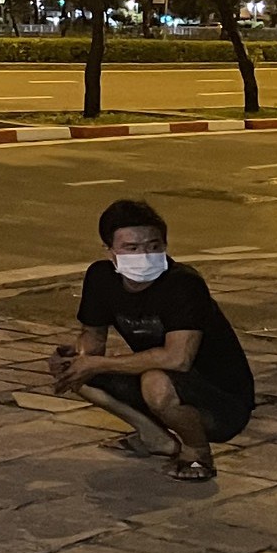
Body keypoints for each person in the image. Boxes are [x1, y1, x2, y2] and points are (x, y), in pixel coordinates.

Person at [52, 199, 253, 481]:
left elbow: (177, 359)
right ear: (110, 251)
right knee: (71, 367)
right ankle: (155, 438)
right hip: (161, 381)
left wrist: (97, 363)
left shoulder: (183, 284)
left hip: (220, 401)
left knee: (155, 381)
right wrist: (80, 355)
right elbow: (93, 338)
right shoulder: (101, 277)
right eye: (131, 248)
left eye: (153, 246)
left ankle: (197, 453)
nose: (144, 255)